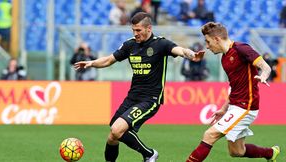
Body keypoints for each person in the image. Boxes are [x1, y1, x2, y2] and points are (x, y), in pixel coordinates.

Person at [74, 12, 204, 162]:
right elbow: (109, 60)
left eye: (138, 30)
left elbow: (179, 50)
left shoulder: (161, 44)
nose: (135, 34)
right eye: (133, 30)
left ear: (149, 28)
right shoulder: (130, 45)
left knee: (117, 130)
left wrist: (191, 54)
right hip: (132, 97)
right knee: (112, 136)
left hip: (150, 99)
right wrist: (91, 63)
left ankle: (149, 154)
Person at [185, 22, 280, 162]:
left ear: (217, 39)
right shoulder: (224, 58)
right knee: (237, 151)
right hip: (236, 105)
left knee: (209, 135)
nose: (207, 46)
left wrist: (264, 75)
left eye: (208, 41)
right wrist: (224, 109)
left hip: (246, 106)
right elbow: (235, 87)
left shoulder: (241, 49)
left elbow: (265, 67)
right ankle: (271, 153)